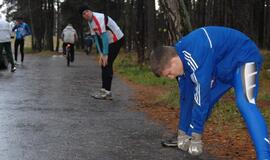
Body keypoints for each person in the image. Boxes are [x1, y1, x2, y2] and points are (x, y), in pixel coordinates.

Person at [150, 26, 270, 159]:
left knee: (244, 102)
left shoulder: (195, 55)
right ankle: (188, 135)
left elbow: (201, 96)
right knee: (205, 101)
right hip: (222, 69)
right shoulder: (181, 64)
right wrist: (182, 132)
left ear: (173, 60)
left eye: (169, 73)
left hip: (243, 58)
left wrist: (197, 134)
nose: (171, 77)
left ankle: (265, 157)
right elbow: (186, 98)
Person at [79, 4, 124, 100]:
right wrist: (101, 54)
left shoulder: (98, 18)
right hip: (109, 41)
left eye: (87, 11)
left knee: (107, 63)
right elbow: (96, 38)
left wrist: (106, 54)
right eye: (83, 14)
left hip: (117, 40)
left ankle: (107, 92)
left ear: (90, 11)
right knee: (103, 64)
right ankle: (104, 90)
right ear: (83, 17)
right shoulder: (90, 22)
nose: (86, 14)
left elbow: (103, 37)